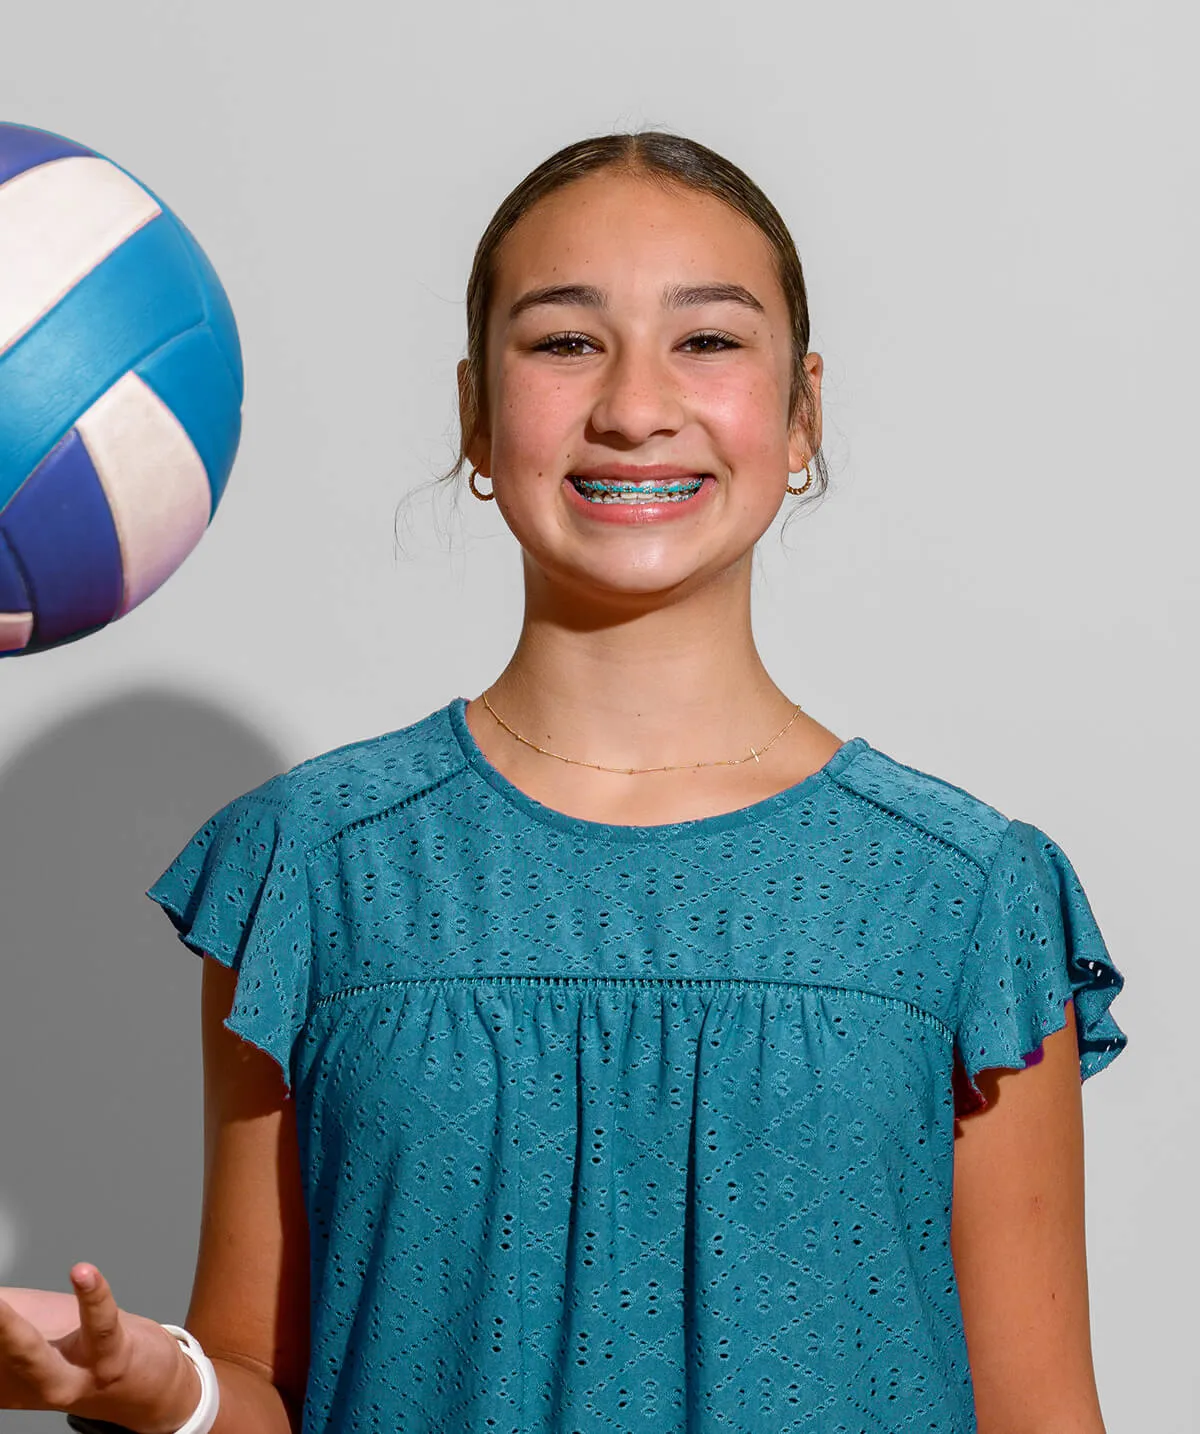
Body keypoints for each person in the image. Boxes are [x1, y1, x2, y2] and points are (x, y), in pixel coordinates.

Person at [0, 131, 1127, 1434]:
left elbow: (1045, 1413)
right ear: (476, 414)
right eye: (566, 341)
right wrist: (169, 1390)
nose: (636, 406)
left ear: (802, 412)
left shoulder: (967, 894)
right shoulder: (310, 865)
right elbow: (258, 1376)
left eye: (708, 339)